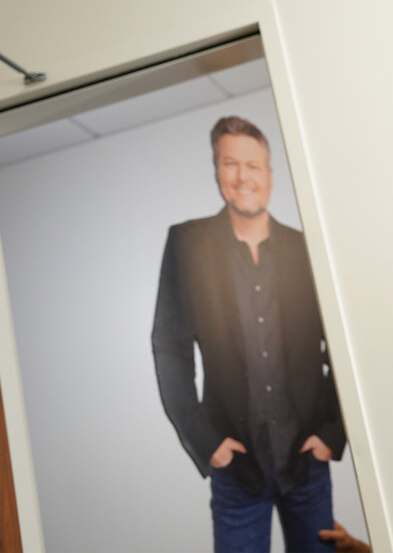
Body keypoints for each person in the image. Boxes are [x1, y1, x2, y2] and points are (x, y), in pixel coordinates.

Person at [152, 116, 346, 552]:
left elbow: (339, 343)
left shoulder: (306, 248)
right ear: (217, 171)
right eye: (230, 163)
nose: (242, 177)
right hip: (234, 462)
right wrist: (206, 443)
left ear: (270, 175)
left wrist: (333, 433)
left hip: (306, 460)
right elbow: (170, 347)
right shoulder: (187, 244)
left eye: (253, 166)